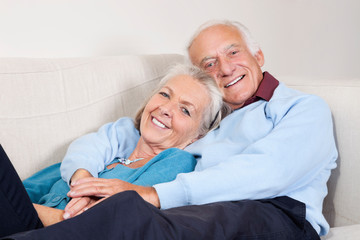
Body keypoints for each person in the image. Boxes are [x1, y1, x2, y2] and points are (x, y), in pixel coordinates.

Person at [2, 19, 337, 240]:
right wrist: (82, 175)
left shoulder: (301, 107)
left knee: (128, 209)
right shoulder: (212, 121)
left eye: (232, 52)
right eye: (208, 63)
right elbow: (119, 134)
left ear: (258, 55)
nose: (223, 67)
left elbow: (269, 172)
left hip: (275, 209)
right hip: (204, 209)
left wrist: (155, 194)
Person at [0, 63, 229, 237]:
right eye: (165, 94)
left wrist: (23, 209)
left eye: (185, 110)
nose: (166, 109)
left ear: (197, 135)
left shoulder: (178, 163)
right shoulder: (104, 153)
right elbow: (25, 190)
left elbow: (98, 223)